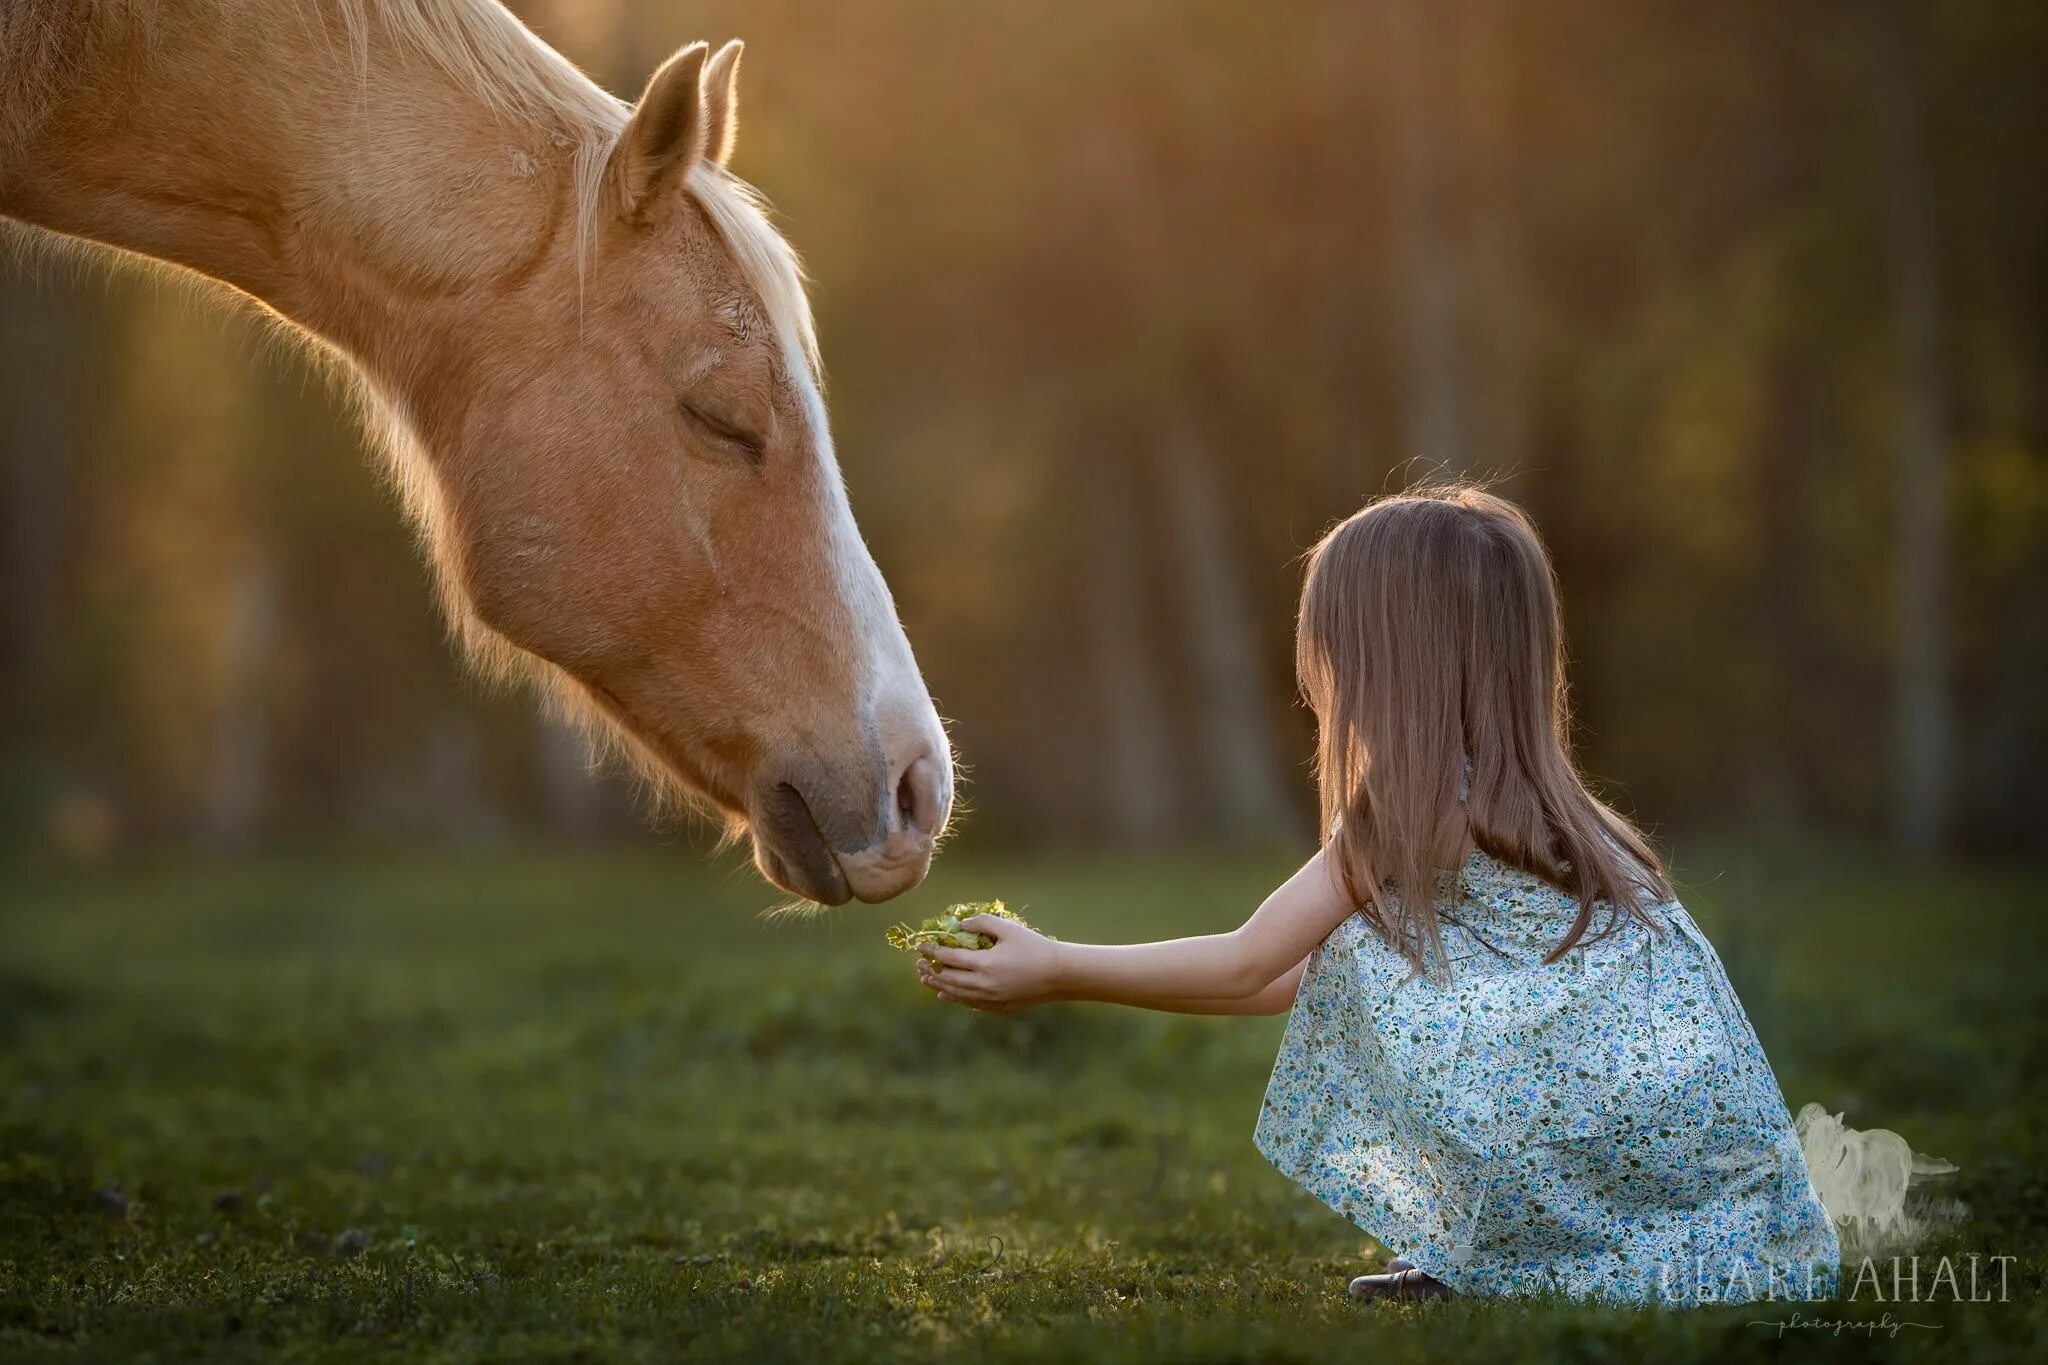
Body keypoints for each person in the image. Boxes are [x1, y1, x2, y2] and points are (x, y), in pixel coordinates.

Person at [916, 484, 1840, 1305]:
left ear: (1377, 661)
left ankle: (1489, 1256)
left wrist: (1059, 968)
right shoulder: (1567, 815)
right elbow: (1294, 981)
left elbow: (1254, 964)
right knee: (1364, 946)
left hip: (1583, 1137)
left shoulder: (1410, 807)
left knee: (1356, 943)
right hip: (1692, 1174)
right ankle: (1507, 1249)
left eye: (1324, 639)